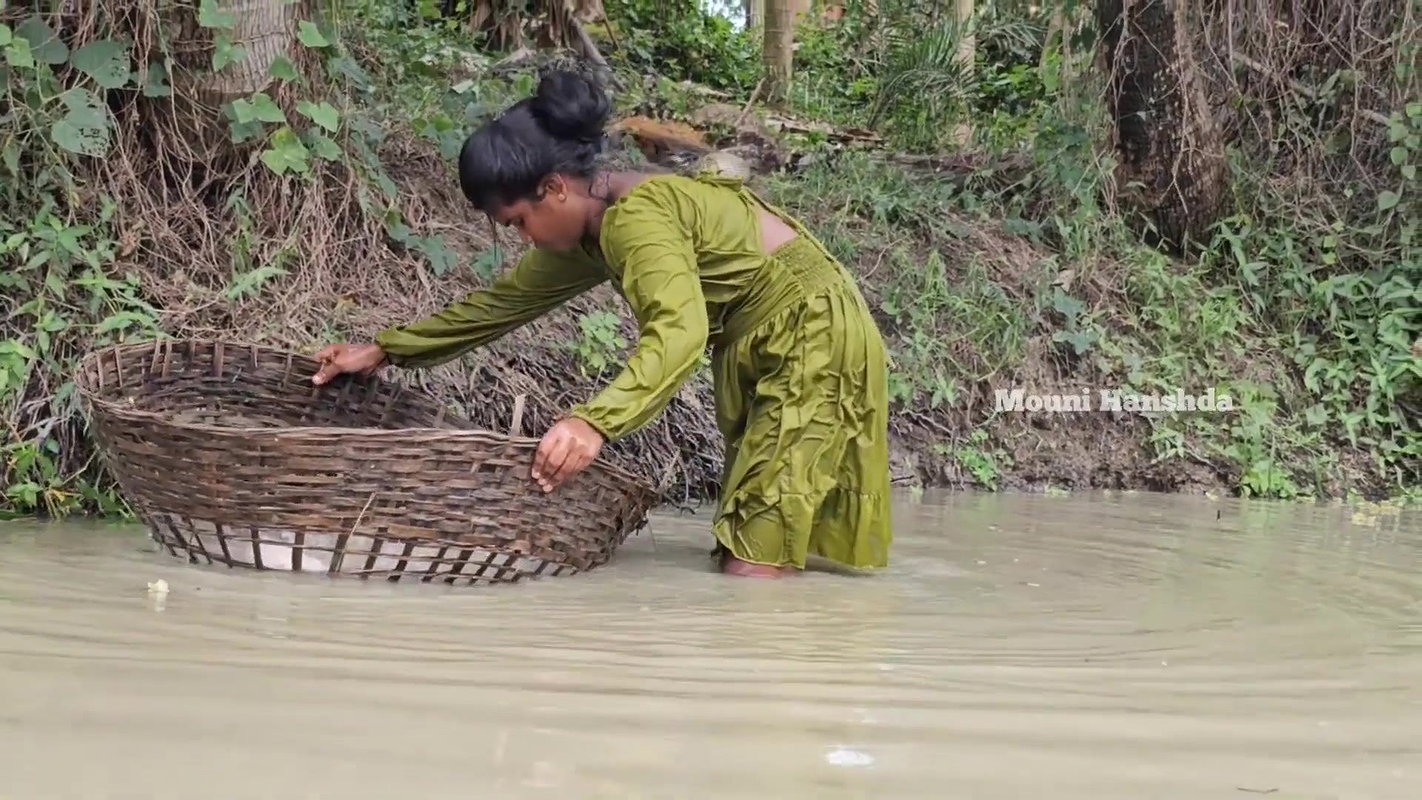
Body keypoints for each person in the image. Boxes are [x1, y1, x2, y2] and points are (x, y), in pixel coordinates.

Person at [310, 70, 892, 578]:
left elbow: (680, 333)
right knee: (751, 531)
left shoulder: (637, 220)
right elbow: (503, 304)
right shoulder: (592, 226)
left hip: (814, 334)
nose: (524, 239)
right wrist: (386, 350)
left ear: (555, 188)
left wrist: (594, 423)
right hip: (769, 339)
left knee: (756, 549)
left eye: (518, 222)